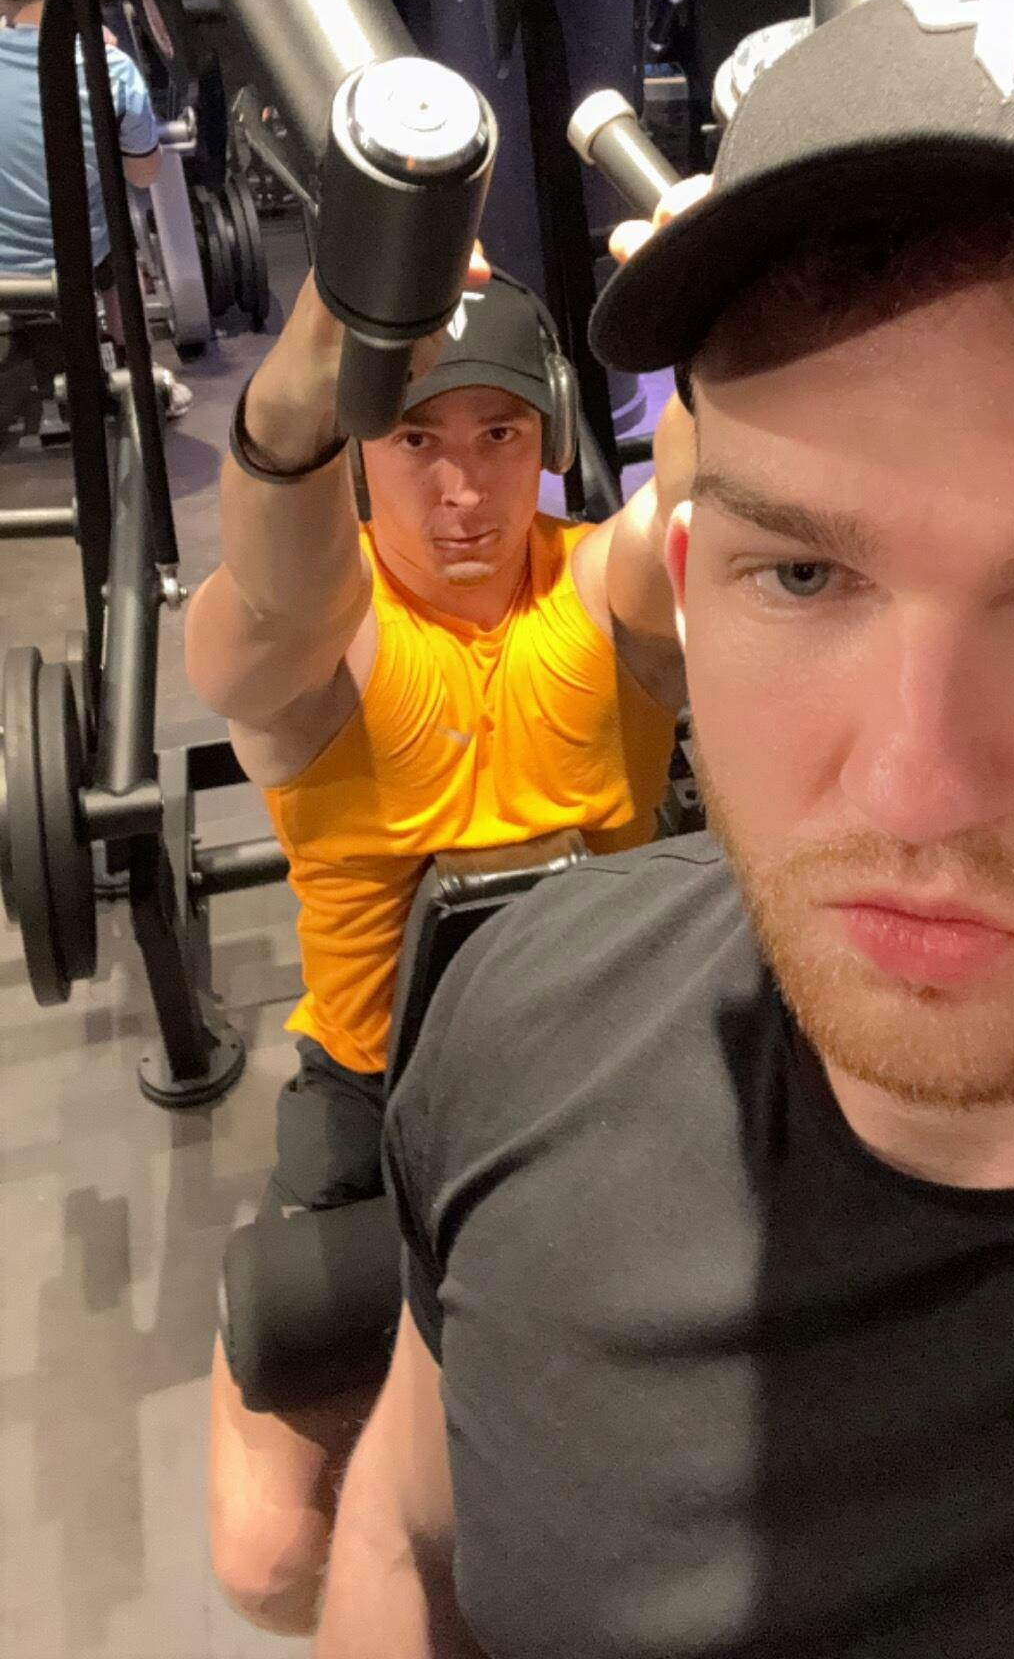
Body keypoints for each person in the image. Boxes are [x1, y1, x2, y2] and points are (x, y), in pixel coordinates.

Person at [315, 0, 1014, 1659]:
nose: (914, 784)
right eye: (803, 574)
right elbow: (404, 1526)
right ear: (686, 582)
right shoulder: (522, 1019)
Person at [186, 253, 693, 1636]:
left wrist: (733, 319)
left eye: (499, 435)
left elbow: (700, 516)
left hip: (606, 1085)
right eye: (416, 441)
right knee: (269, 1557)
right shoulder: (333, 634)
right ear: (360, 451)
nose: (463, 489)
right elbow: (261, 619)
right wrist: (297, 398)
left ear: (549, 438)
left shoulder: (601, 590)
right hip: (376, 1107)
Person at [0, 0, 192, 413]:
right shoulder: (112, 69)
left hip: (6, 273)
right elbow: (144, 174)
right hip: (79, 262)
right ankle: (139, 370)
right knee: (117, 233)